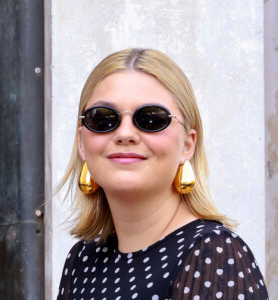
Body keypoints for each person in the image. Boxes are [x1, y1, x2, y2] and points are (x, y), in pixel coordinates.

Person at [57, 48, 269, 300]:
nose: (125, 134)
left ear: (187, 145)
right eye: (103, 119)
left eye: (151, 119)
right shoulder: (81, 261)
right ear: (82, 142)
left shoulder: (215, 254)